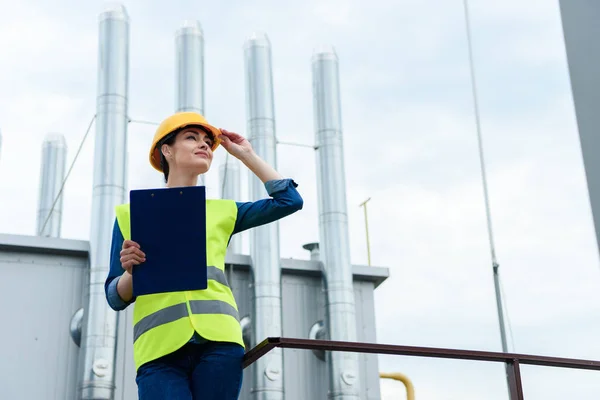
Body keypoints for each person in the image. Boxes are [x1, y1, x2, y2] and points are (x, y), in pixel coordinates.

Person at [104, 111, 303, 400]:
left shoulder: (224, 211)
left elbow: (289, 201)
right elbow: (113, 296)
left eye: (208, 141)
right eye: (191, 137)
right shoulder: (130, 215)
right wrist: (132, 273)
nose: (205, 145)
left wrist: (246, 155)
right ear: (166, 150)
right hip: (158, 350)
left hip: (219, 343)